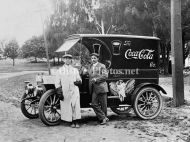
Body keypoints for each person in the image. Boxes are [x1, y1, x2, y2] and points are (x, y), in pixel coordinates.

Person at [55, 54, 82, 128]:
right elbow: (57, 83)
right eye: (66, 58)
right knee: (68, 106)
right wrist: (59, 91)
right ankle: (71, 121)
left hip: (74, 90)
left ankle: (76, 121)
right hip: (65, 91)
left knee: (75, 105)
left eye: (69, 58)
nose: (67, 60)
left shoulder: (75, 70)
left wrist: (78, 82)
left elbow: (79, 79)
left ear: (71, 60)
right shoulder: (60, 71)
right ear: (63, 60)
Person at [88, 53, 109, 125]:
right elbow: (90, 75)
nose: (93, 59)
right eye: (92, 58)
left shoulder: (102, 66)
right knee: (93, 104)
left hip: (101, 87)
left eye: (94, 58)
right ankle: (103, 117)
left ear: (97, 59)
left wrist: (96, 80)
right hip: (94, 88)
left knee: (104, 105)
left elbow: (105, 76)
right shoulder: (90, 66)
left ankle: (103, 119)